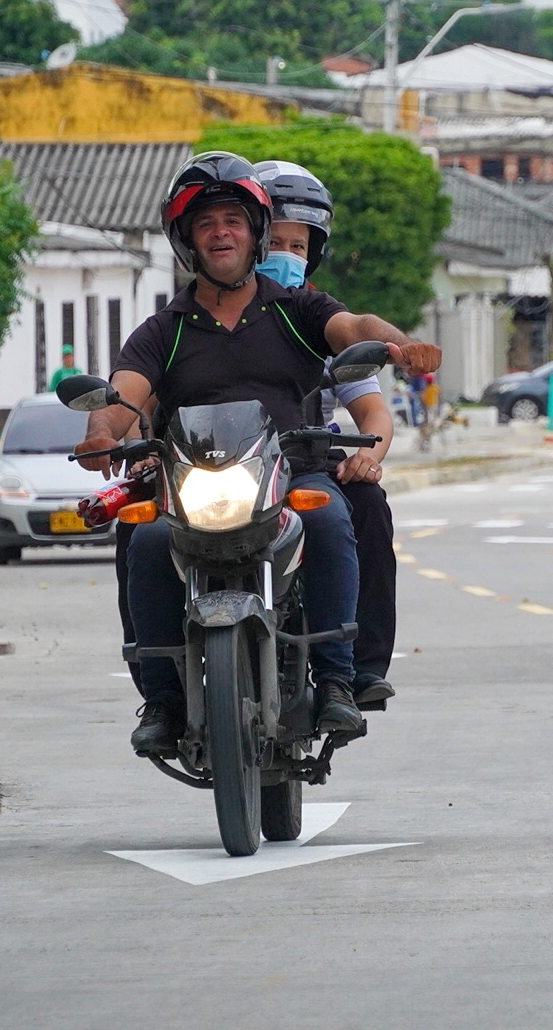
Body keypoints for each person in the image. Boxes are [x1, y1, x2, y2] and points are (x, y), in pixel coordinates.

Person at [76, 151, 438, 756]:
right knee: (144, 538)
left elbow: (354, 328)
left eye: (234, 220)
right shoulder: (164, 329)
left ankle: (339, 679)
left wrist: (400, 346)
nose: (222, 232)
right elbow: (125, 393)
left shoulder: (297, 311)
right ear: (188, 239)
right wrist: (101, 432)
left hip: (291, 472)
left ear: (255, 232)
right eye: (207, 222)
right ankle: (162, 700)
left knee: (327, 518)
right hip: (192, 482)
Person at [254, 158, 399, 704]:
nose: (286, 257)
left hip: (303, 468)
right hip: (221, 475)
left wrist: (370, 456)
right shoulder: (198, 315)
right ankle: (166, 686)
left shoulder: (320, 319)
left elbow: (374, 415)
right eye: (276, 243)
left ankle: (355, 671)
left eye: (299, 246)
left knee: (363, 505)